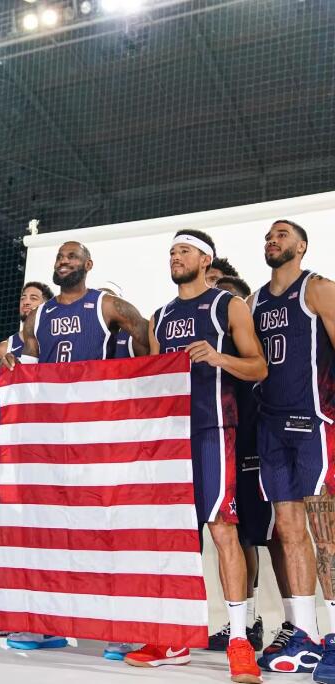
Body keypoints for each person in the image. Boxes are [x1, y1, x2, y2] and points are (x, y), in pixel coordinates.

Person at [125, 231, 267, 683]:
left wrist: (219, 358)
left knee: (223, 530)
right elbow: (151, 379)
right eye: (171, 252)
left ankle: (240, 640)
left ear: (205, 259)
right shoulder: (161, 317)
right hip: (170, 438)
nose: (175, 257)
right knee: (173, 539)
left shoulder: (228, 305)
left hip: (214, 430)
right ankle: (174, 638)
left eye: (183, 250)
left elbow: (259, 366)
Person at [1, 241, 149, 657]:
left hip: (95, 432)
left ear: (88, 264)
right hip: (51, 436)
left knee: (101, 529)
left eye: (71, 257)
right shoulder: (40, 315)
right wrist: (15, 367)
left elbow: (143, 339)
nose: (63, 261)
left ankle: (119, 627)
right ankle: (46, 624)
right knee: (49, 530)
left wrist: (135, 379)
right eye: (59, 257)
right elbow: (30, 366)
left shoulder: (106, 304)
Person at [249, 220, 335, 681]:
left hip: (314, 424)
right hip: (272, 427)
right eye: (269, 236)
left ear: (301, 246)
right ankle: (305, 633)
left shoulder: (318, 289)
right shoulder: (254, 302)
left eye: (282, 235)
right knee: (288, 531)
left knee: (327, 534)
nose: (273, 240)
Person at [205, 276, 272, 653]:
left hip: (249, 439)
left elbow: (260, 372)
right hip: (216, 438)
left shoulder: (245, 340)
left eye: (223, 293)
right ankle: (242, 624)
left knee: (254, 533)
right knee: (231, 530)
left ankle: (254, 620)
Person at [0, 281, 54, 365]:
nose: (26, 302)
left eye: (33, 298)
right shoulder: (4, 349)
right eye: (23, 298)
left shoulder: (58, 343)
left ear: (47, 306)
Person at [98, 281, 135, 359]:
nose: (105, 305)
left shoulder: (132, 336)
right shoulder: (85, 334)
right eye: (101, 301)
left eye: (109, 300)